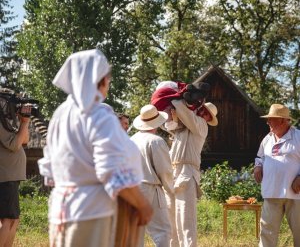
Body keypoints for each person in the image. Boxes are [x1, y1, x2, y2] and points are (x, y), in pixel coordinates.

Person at [38, 49, 153, 247]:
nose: (109, 80)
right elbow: (111, 170)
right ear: (99, 79)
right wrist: (142, 205)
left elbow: (50, 168)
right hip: (92, 211)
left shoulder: (60, 115)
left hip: (61, 208)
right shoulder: (99, 115)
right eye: (107, 76)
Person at [169, 100, 218, 247]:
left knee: (186, 219)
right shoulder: (183, 127)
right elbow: (168, 124)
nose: (204, 114)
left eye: (207, 114)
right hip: (174, 172)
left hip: (187, 173)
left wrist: (176, 99)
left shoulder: (201, 125)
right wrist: (174, 114)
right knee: (173, 218)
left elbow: (188, 116)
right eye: (202, 110)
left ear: (209, 119)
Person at [253, 103, 300, 247]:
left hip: (296, 194)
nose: (268, 122)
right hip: (271, 192)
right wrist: (257, 167)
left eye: (271, 119)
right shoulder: (267, 139)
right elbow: (259, 157)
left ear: (282, 120)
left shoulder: (298, 136)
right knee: (267, 232)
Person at [131, 104, 174, 247]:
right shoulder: (156, 141)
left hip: (131, 189)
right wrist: (170, 189)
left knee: (135, 231)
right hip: (150, 188)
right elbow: (164, 170)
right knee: (162, 230)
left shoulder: (131, 140)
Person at [0, 102, 31, 247]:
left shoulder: (5, 123)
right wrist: (24, 123)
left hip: (10, 177)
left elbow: (24, 140)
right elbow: (14, 145)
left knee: (13, 220)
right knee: (8, 219)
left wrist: (24, 122)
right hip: (5, 177)